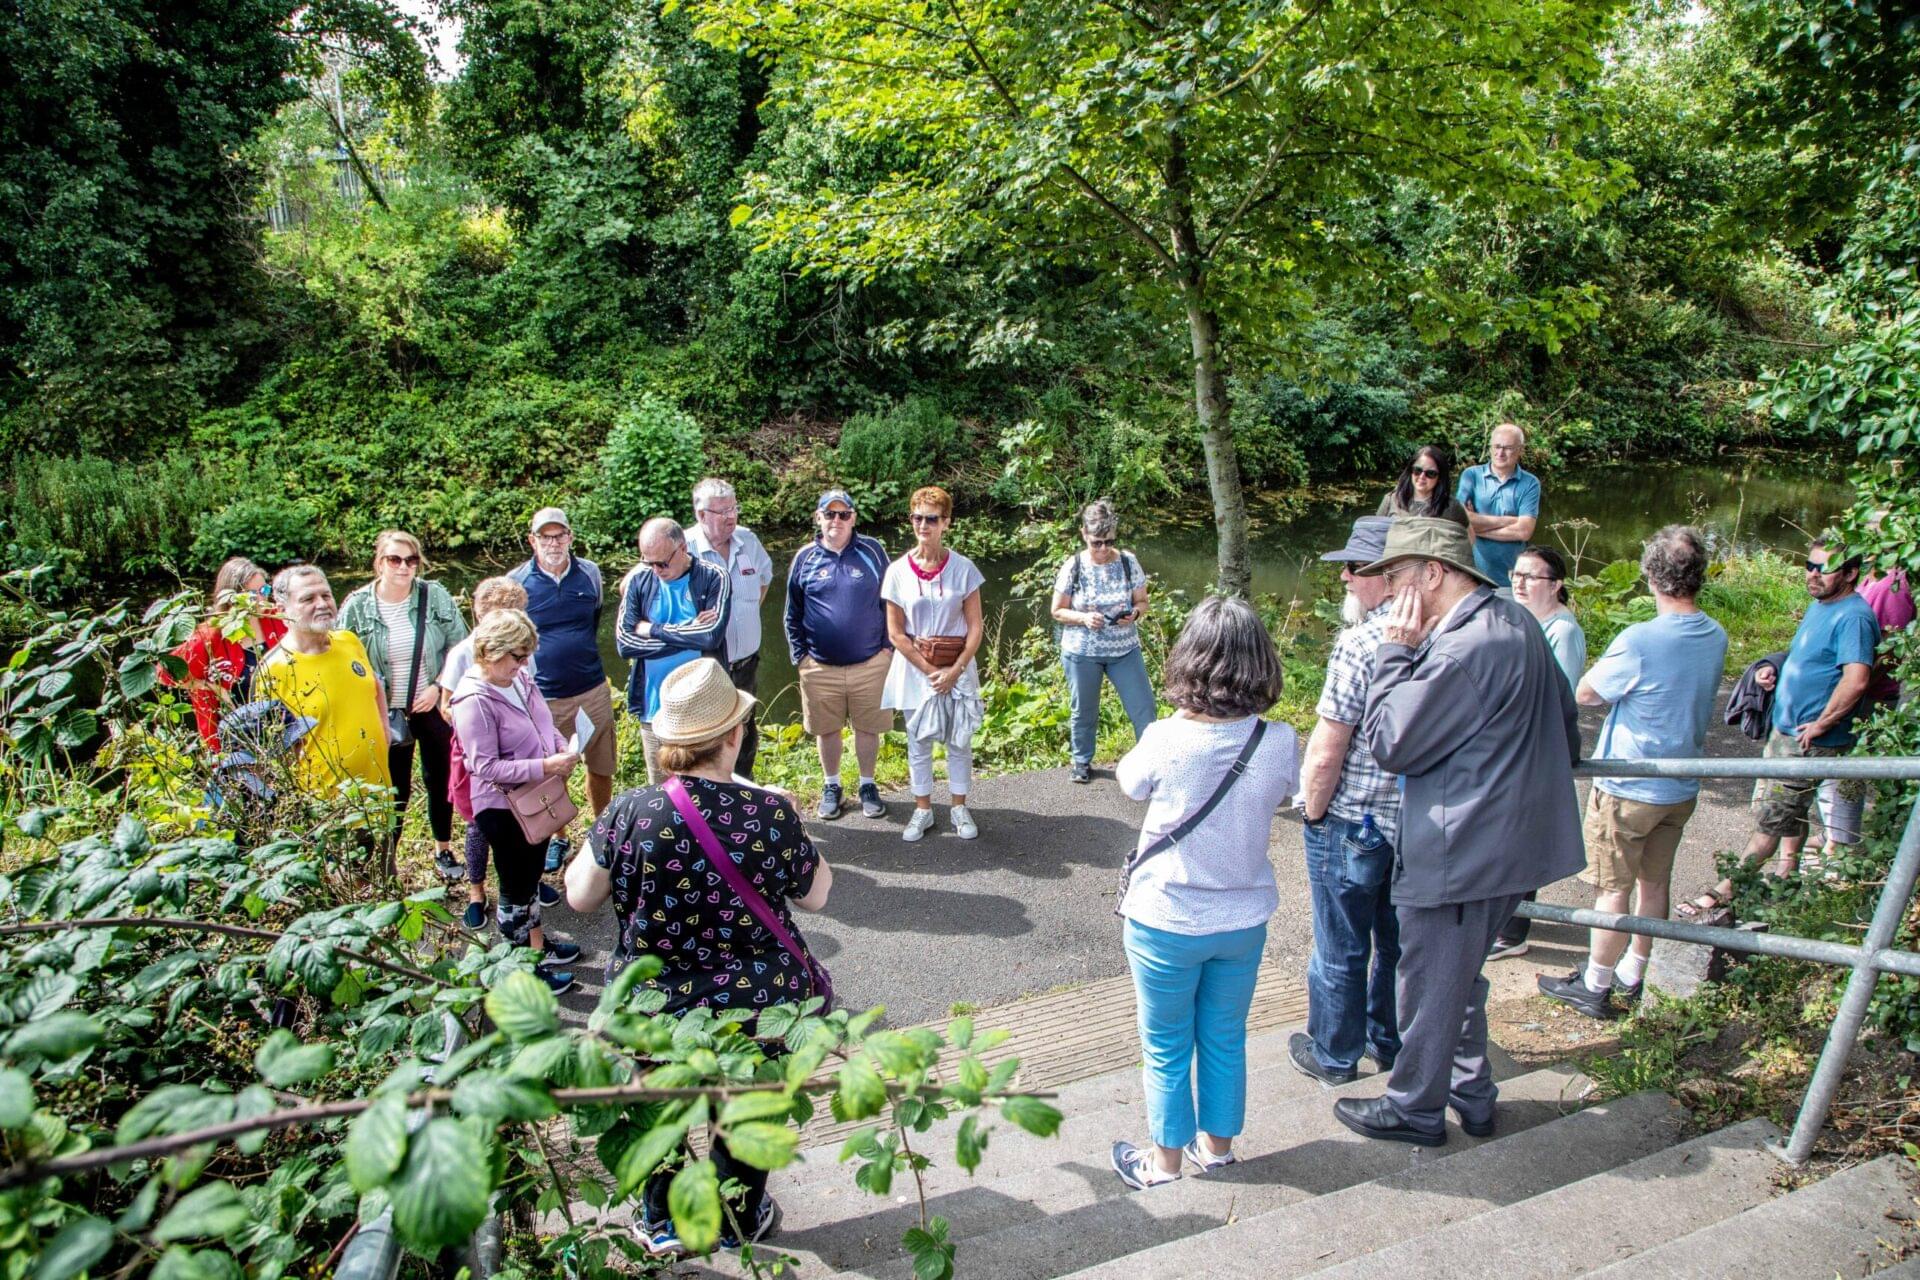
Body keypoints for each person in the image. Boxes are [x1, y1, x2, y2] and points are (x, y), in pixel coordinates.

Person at [566, 658, 831, 1256]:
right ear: (734, 736)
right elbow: (818, 894)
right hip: (758, 998)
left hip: (652, 999)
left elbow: (580, 897)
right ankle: (733, 1217)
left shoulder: (631, 810)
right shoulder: (768, 812)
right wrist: (788, 816)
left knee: (654, 1103)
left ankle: (661, 1223)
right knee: (749, 1101)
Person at [1334, 517, 1582, 1147]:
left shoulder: (1462, 649)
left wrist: (1394, 650)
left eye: (1396, 576)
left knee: (1424, 984)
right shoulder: (1517, 621)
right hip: (1509, 842)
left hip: (1460, 848)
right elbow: (1566, 718)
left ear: (1434, 574)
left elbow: (1390, 739)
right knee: (1459, 978)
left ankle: (1415, 1109)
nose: (1388, 591)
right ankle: (1472, 1095)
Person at [1108, 597, 1300, 1189]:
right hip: (1242, 919)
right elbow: (1294, 794)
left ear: (1190, 659)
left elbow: (1128, 784)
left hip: (1165, 916)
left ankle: (1163, 1164)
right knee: (1224, 1036)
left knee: (1166, 1043)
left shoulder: (1168, 737)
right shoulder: (1280, 740)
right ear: (1259, 662)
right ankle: (1216, 1149)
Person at [1539, 527, 1728, 1018]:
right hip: (1679, 784)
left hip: (1628, 785)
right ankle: (1633, 974)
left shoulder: (1640, 639)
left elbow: (1586, 693)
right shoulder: (1714, 634)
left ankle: (1595, 984)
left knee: (1611, 889)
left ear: (1650, 577)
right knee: (1654, 884)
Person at [1681, 537, 1881, 920]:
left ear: (1852, 573)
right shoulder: (1822, 605)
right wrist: (1774, 668)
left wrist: (1823, 723)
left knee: (1771, 819)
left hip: (1810, 742)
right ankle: (1786, 879)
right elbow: (1812, 658)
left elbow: (1856, 679)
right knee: (1787, 814)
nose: (1813, 574)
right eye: (1810, 565)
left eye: (1825, 568)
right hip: (1786, 731)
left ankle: (1723, 891)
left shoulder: (1854, 616)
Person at [1293, 517, 1401, 1085]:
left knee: (1339, 944)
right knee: (1398, 943)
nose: (1344, 576)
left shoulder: (1360, 643)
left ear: (1386, 577)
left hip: (1354, 822)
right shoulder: (1445, 633)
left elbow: (1328, 747)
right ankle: (1391, 1041)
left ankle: (1334, 1055)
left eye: (1354, 568)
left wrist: (1311, 810)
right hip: (1416, 825)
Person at [448, 608, 584, 994]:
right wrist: (545, 764)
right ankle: (521, 970)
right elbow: (484, 766)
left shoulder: (520, 679)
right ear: (491, 652)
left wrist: (560, 746)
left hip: (534, 796)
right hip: (502, 808)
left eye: (526, 655)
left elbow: (543, 722)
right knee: (513, 889)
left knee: (529, 880)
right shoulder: (473, 699)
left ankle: (537, 946)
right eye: (517, 656)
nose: (525, 664)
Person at [338, 530, 470, 878]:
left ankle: (443, 849)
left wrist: (438, 685)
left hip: (430, 704)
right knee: (394, 786)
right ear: (379, 562)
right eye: (394, 559)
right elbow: (341, 656)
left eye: (411, 560)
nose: (404, 567)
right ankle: (387, 859)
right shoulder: (357, 606)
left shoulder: (434, 596)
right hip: (385, 712)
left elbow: (460, 647)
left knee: (439, 777)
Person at [1486, 543, 1587, 961]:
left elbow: (1557, 694)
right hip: (1517, 748)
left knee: (1520, 839)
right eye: (1516, 575)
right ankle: (1507, 919)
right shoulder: (1526, 619)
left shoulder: (1561, 630)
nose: (1520, 583)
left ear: (1557, 584)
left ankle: (1513, 931)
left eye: (1532, 577)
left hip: (1535, 752)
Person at [437, 576, 554, 929]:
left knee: (522, 866)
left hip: (524, 775)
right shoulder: (468, 665)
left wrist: (552, 746)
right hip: (488, 773)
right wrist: (494, 732)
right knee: (480, 832)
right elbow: (451, 711)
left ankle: (533, 927)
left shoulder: (516, 668)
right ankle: (477, 893)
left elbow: (532, 709)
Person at [510, 508, 617, 873]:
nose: (553, 543)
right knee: (554, 774)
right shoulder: (517, 582)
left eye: (559, 536)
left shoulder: (590, 573)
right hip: (544, 698)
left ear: (571, 536)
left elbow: (594, 619)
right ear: (532, 541)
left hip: (592, 688)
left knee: (601, 766)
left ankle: (602, 832)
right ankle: (560, 837)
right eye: (545, 537)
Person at [882, 486, 986, 843]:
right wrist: (930, 672)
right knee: (918, 740)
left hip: (957, 668)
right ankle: (923, 808)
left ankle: (958, 806)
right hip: (915, 670)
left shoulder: (964, 569)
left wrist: (954, 671)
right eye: (917, 518)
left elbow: (975, 628)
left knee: (959, 740)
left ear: (946, 523)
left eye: (931, 518)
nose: (923, 525)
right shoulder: (897, 571)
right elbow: (896, 634)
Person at [785, 489, 894, 821]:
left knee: (868, 728)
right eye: (829, 514)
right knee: (826, 730)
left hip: (871, 663)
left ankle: (867, 785)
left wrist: (889, 650)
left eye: (843, 514)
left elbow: (891, 601)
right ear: (818, 518)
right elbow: (792, 613)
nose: (836, 520)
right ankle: (831, 785)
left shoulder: (872, 551)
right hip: (819, 666)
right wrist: (801, 658)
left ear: (853, 518)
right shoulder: (804, 558)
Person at [253, 566, 393, 800]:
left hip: (378, 795)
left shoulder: (349, 641)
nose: (322, 604)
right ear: (281, 611)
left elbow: (375, 690)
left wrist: (384, 738)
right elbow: (273, 751)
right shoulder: (274, 669)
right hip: (326, 811)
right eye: (308, 599)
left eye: (326, 595)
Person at [615, 517, 730, 784]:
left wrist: (652, 629)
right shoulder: (639, 581)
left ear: (682, 549)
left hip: (703, 709)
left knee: (707, 785)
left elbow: (710, 636)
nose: (656, 570)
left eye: (662, 563)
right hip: (654, 708)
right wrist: (688, 629)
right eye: (648, 562)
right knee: (663, 789)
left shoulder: (714, 576)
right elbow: (625, 643)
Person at [1051, 498, 1155, 784]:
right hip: (1082, 651)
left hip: (1124, 649)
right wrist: (1084, 618)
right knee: (1084, 709)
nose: (1103, 548)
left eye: (1108, 541)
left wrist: (1134, 614)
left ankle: (1150, 764)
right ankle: (1081, 761)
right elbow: (1057, 610)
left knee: (1144, 708)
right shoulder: (1073, 566)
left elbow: (1143, 602)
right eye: (1096, 542)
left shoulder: (1127, 562)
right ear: (1084, 534)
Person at [687, 477, 776, 780]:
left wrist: (744, 615)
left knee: (746, 735)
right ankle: (711, 805)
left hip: (746, 665)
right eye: (722, 512)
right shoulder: (683, 548)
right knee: (709, 742)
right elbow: (642, 588)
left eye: (734, 509)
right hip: (706, 668)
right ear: (701, 515)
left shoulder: (747, 540)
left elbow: (764, 580)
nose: (731, 517)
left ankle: (744, 799)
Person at [162, 556, 287, 752]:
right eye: (253, 595)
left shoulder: (278, 619)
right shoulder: (210, 635)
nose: (262, 599)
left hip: (284, 727)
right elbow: (164, 672)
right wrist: (209, 686)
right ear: (231, 598)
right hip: (235, 738)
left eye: (265, 590)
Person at [1455, 423, 1541, 591]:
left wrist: (1475, 527)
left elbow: (1524, 532)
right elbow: (1459, 519)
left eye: (1508, 448)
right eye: (1497, 446)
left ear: (1520, 450)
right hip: (1472, 576)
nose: (1500, 453)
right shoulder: (1471, 476)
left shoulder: (1530, 483)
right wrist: (1510, 521)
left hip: (1511, 579)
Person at [1378, 445, 1471, 529]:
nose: (1422, 477)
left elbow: (1467, 534)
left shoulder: (1452, 506)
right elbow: (1374, 535)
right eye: (1417, 470)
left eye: (1430, 473)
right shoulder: (1391, 500)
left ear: (1440, 478)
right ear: (1410, 470)